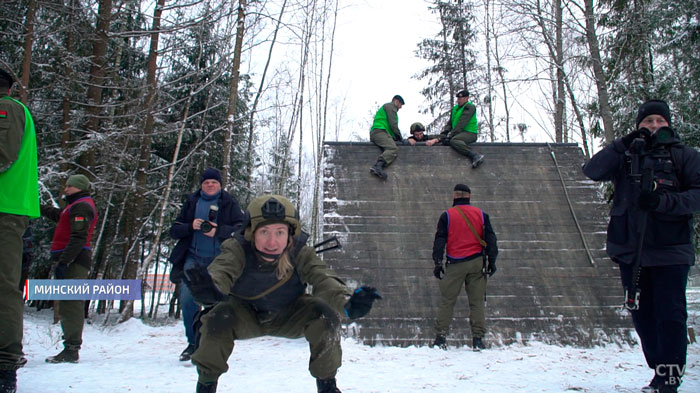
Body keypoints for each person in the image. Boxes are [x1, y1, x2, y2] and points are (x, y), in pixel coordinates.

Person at [183, 194, 381, 393]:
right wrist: (211, 290)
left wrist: (346, 302)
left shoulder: (300, 252)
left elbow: (322, 278)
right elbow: (222, 271)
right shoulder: (237, 249)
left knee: (325, 315)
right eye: (264, 232)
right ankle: (206, 386)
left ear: (290, 234)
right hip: (244, 314)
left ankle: (328, 386)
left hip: (290, 314)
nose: (272, 242)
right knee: (217, 317)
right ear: (251, 232)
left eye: (279, 232)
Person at [583, 100, 700, 393]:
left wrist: (663, 201)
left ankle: (669, 377)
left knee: (670, 313)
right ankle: (659, 368)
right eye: (648, 122)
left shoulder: (685, 156)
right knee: (642, 314)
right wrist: (622, 144)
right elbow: (592, 170)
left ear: (669, 124)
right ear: (639, 126)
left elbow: (697, 196)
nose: (654, 126)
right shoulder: (626, 156)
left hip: (671, 248)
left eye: (660, 121)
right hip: (631, 250)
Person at [168, 168, 244, 361]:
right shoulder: (192, 202)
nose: (210, 185)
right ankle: (193, 343)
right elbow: (174, 230)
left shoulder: (228, 203)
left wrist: (218, 231)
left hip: (220, 261)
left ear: (220, 185)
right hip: (193, 259)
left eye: (214, 182)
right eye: (206, 182)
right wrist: (190, 226)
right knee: (187, 299)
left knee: (217, 302)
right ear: (201, 185)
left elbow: (241, 230)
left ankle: (213, 344)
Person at [0, 68, 39, 393]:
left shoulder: (7, 108)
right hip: (8, 208)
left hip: (5, 208)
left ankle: (4, 363)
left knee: (3, 289)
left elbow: (2, 154)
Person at [431, 184, 498, 351]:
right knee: (476, 302)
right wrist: (492, 262)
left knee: (448, 301)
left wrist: (438, 263)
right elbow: (491, 241)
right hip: (477, 263)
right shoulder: (481, 215)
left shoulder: (447, 215)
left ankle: (441, 338)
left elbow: (440, 241)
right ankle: (477, 340)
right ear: (469, 197)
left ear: (454, 196)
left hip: (455, 264)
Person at [40, 174, 98, 364]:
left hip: (74, 261)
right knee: (67, 302)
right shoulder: (75, 206)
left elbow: (78, 237)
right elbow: (61, 217)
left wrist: (64, 261)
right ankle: (70, 347)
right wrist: (39, 208)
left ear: (79, 187)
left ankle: (72, 348)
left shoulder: (82, 206)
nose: (65, 189)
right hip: (71, 259)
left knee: (70, 303)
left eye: (69, 186)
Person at [440, 89, 484, 168]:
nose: (458, 100)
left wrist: (450, 136)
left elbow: (461, 123)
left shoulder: (469, 107)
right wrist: (445, 132)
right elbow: (450, 123)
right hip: (458, 133)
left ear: (466, 98)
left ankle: (474, 155)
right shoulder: (455, 108)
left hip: (470, 133)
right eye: (457, 98)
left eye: (460, 98)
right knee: (444, 139)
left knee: (454, 141)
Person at [369, 95, 405, 180]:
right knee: (392, 148)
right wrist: (400, 137)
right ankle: (378, 166)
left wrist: (395, 137)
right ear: (396, 101)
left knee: (391, 145)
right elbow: (393, 125)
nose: (401, 107)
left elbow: (390, 127)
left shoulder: (388, 108)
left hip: (381, 132)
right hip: (379, 131)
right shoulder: (390, 107)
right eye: (401, 105)